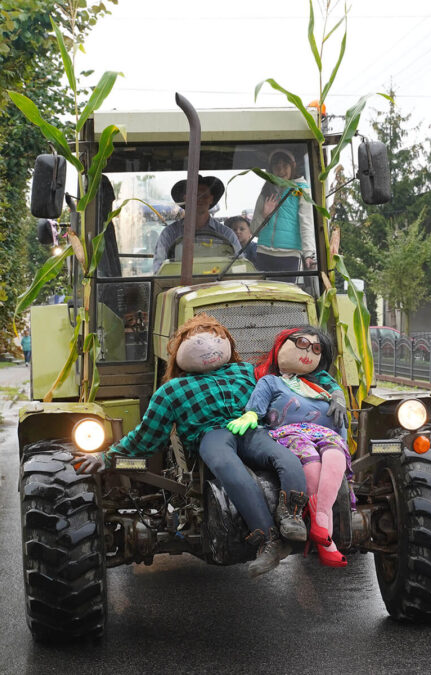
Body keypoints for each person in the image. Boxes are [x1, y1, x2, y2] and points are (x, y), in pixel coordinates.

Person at [76, 315, 337, 577]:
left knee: (285, 457)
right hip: (210, 434)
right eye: (196, 341)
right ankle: (268, 540)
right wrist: (108, 457)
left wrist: (334, 394)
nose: (209, 347)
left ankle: (291, 514)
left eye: (216, 338)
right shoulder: (172, 390)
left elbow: (293, 380)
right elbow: (147, 434)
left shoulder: (246, 371)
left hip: (250, 427)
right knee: (226, 466)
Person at [228, 326, 351, 567]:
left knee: (336, 461)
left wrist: (338, 399)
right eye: (302, 344)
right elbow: (257, 405)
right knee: (312, 465)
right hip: (290, 432)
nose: (308, 353)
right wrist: (251, 415)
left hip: (325, 433)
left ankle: (320, 526)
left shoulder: (319, 383)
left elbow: (335, 389)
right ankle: (326, 538)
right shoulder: (271, 381)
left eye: (316, 349)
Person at [151, 176, 240, 273]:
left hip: (217, 286)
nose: (199, 199)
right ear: (185, 199)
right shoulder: (169, 234)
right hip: (179, 286)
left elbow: (240, 266)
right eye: (195, 196)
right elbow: (159, 269)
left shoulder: (226, 234)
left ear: (211, 199)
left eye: (204, 196)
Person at [251, 149, 316, 273]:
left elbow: (306, 223)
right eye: (276, 166)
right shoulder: (266, 191)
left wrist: (308, 254)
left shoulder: (300, 190)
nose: (280, 170)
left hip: (290, 256)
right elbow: (254, 231)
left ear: (293, 166)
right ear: (271, 169)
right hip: (263, 254)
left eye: (285, 165)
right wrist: (264, 215)